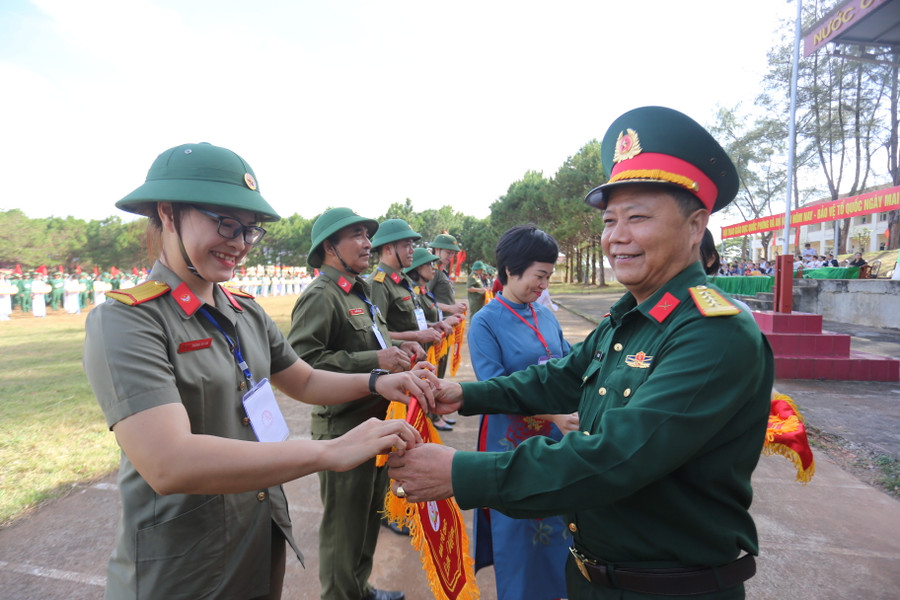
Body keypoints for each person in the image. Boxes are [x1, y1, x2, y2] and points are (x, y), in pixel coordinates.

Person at [388, 106, 775, 599]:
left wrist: (459, 471)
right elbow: (560, 378)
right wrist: (460, 393)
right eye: (611, 220)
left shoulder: (713, 333)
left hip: (667, 588)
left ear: (696, 225)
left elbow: (618, 456)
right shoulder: (630, 316)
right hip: (595, 577)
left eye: (638, 217)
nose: (616, 236)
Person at [83, 143, 434, 600]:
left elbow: (303, 379)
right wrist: (329, 451)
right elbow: (168, 462)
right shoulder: (127, 321)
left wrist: (376, 381)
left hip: (257, 537)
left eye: (250, 231)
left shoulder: (245, 312)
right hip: (181, 566)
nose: (239, 244)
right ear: (168, 213)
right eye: (226, 223)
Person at [287, 207, 424, 600]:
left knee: (367, 520)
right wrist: (375, 363)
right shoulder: (321, 296)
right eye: (358, 236)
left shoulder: (359, 292)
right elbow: (303, 365)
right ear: (330, 247)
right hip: (344, 427)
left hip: (376, 422)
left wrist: (399, 346)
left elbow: (372, 343)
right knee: (342, 532)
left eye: (368, 235)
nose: (368, 243)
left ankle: (359, 590)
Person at [467, 224, 577, 600]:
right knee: (520, 529)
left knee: (562, 523)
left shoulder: (544, 314)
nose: (543, 285)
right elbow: (493, 388)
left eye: (548, 276)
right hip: (511, 440)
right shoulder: (485, 322)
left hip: (554, 438)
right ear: (511, 270)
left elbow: (567, 364)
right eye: (539, 275)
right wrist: (554, 415)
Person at [405, 247, 462, 432]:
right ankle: (433, 417)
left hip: (431, 344)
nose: (433, 268)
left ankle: (436, 414)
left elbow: (429, 317)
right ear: (417, 267)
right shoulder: (414, 291)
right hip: (420, 349)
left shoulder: (423, 291)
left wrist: (441, 323)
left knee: (436, 378)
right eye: (428, 264)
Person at [426, 233, 467, 380]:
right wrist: (450, 309)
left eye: (453, 253)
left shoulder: (441, 271)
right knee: (435, 370)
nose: (451, 256)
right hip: (437, 327)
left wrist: (454, 306)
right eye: (448, 252)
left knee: (440, 369)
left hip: (445, 327)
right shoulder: (433, 271)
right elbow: (423, 300)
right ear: (436, 249)